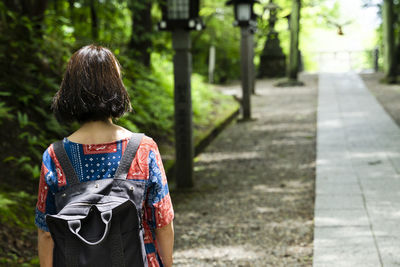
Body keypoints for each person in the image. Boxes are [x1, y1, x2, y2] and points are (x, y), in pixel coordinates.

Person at [35, 45, 174, 267]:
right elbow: (163, 221)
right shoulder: (143, 148)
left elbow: (46, 233)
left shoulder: (55, 156)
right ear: (115, 87)